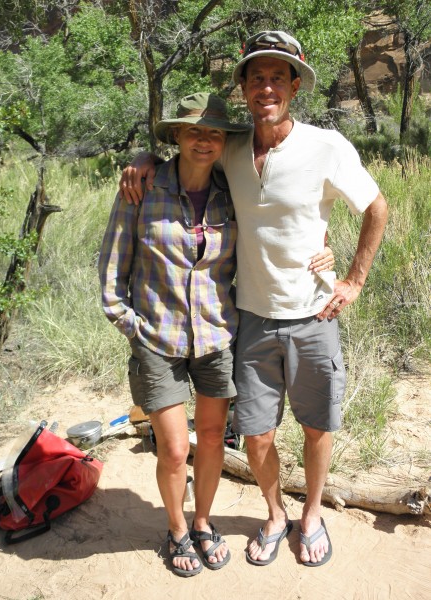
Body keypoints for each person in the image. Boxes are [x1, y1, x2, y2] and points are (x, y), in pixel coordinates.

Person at [119, 29, 383, 569]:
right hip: (250, 319)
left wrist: (352, 280)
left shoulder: (326, 146)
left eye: (278, 77)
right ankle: (274, 512)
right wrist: (143, 156)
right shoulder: (231, 146)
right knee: (257, 436)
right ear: (243, 87)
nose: (267, 87)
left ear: (294, 86)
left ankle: (310, 513)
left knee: (316, 428)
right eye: (256, 76)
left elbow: (376, 209)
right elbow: (187, 154)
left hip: (313, 314)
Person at [99, 91, 334, 577]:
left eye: (213, 132)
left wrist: (325, 251)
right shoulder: (144, 188)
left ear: (223, 140)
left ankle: (202, 521)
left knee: (210, 438)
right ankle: (177, 529)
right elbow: (111, 274)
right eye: (192, 131)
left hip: (217, 336)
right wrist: (132, 327)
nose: (204, 140)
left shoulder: (233, 191)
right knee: (174, 447)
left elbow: (284, 226)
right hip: (157, 339)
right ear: (176, 137)